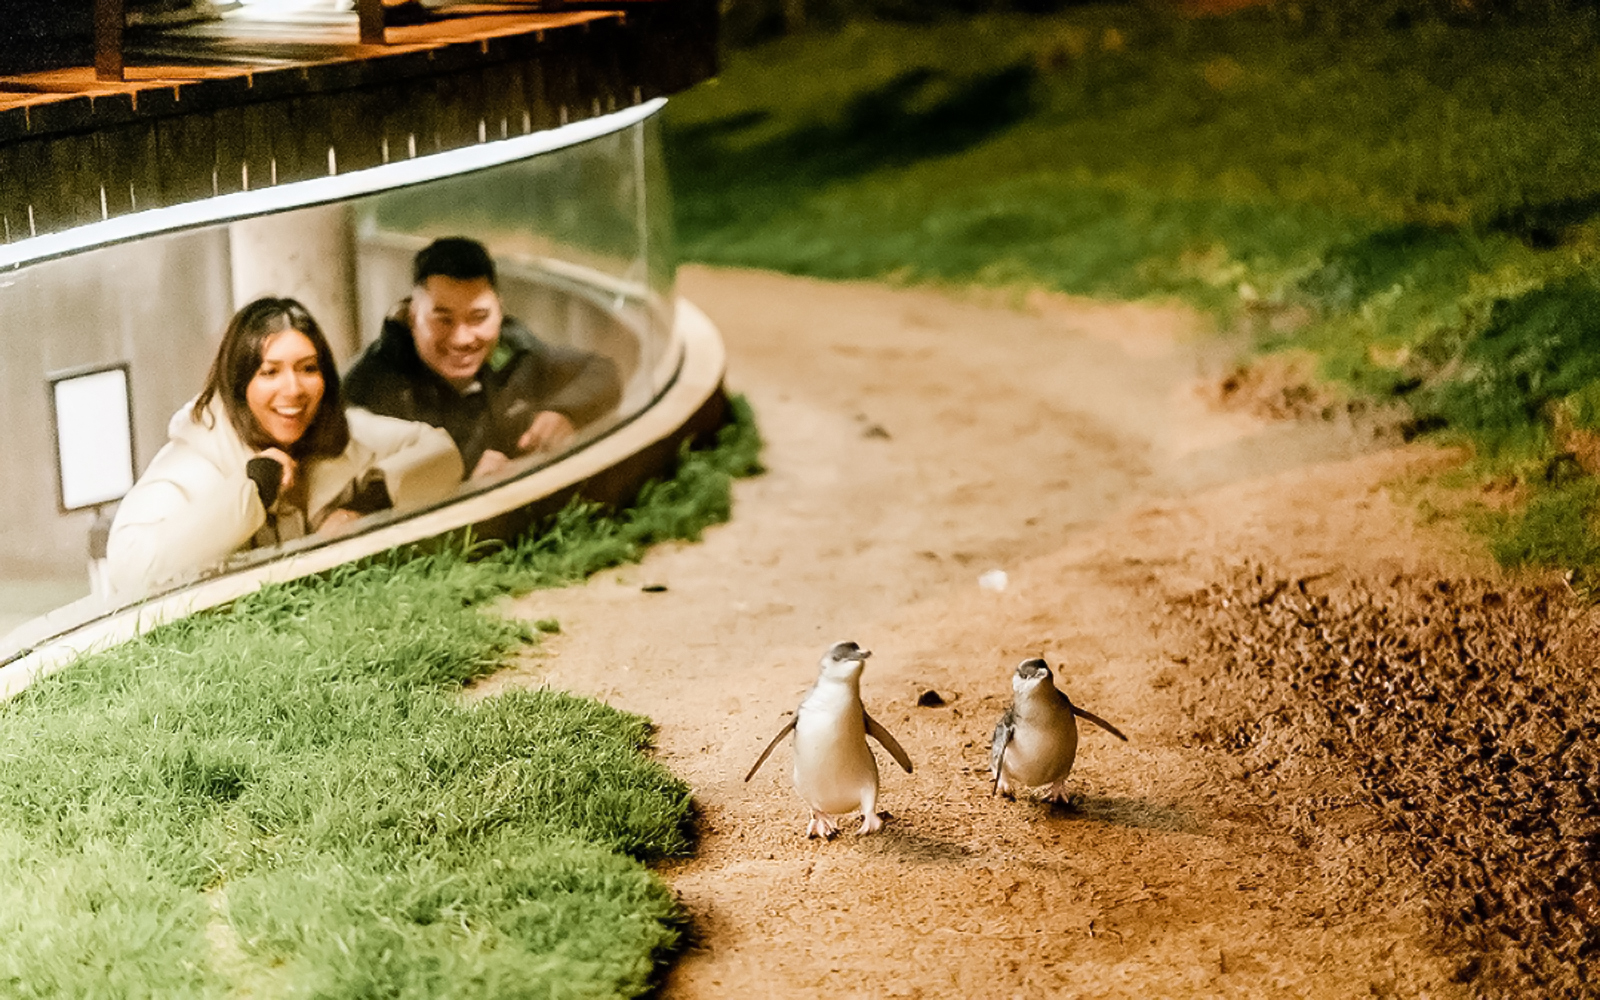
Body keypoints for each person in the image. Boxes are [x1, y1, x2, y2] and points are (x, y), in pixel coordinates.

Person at [105, 297, 463, 597]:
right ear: (239, 384)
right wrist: (253, 491)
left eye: (307, 368)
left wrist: (368, 502)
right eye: (270, 372)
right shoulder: (196, 460)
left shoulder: (340, 433)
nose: (293, 390)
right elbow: (128, 568)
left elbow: (440, 450)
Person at [342, 237, 623, 480]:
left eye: (479, 317)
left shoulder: (515, 350)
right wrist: (459, 479)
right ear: (413, 316)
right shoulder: (368, 387)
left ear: (499, 311)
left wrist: (563, 412)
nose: (462, 339)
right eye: (444, 320)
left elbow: (601, 370)